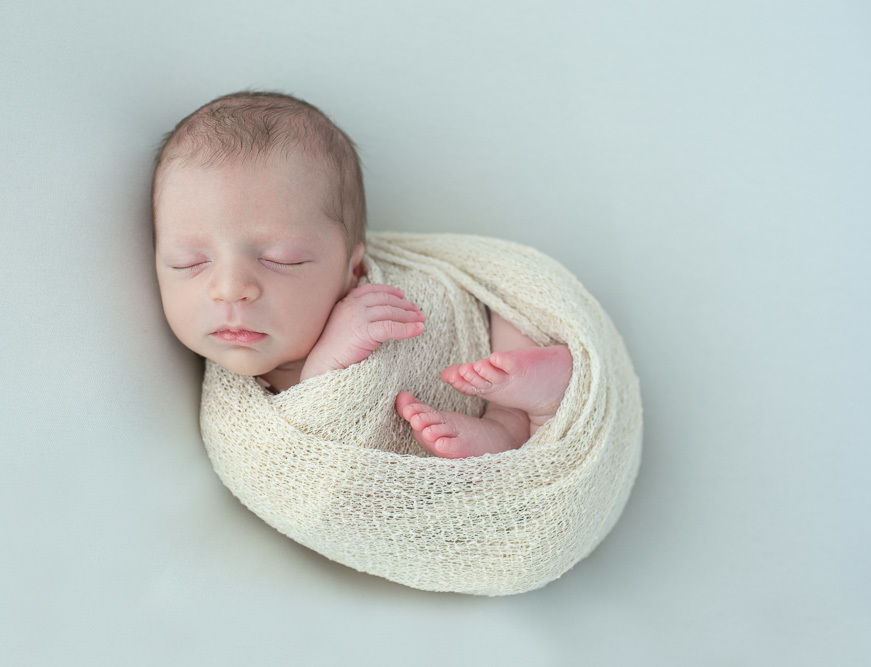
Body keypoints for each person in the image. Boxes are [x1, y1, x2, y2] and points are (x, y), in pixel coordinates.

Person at [152, 91, 572, 459]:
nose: (230, 289)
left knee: (506, 297)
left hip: (468, 339)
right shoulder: (234, 412)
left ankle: (528, 404)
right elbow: (308, 464)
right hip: (422, 445)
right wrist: (327, 365)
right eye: (188, 263)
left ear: (353, 267)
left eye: (282, 259)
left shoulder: (373, 286)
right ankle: (502, 430)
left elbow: (479, 283)